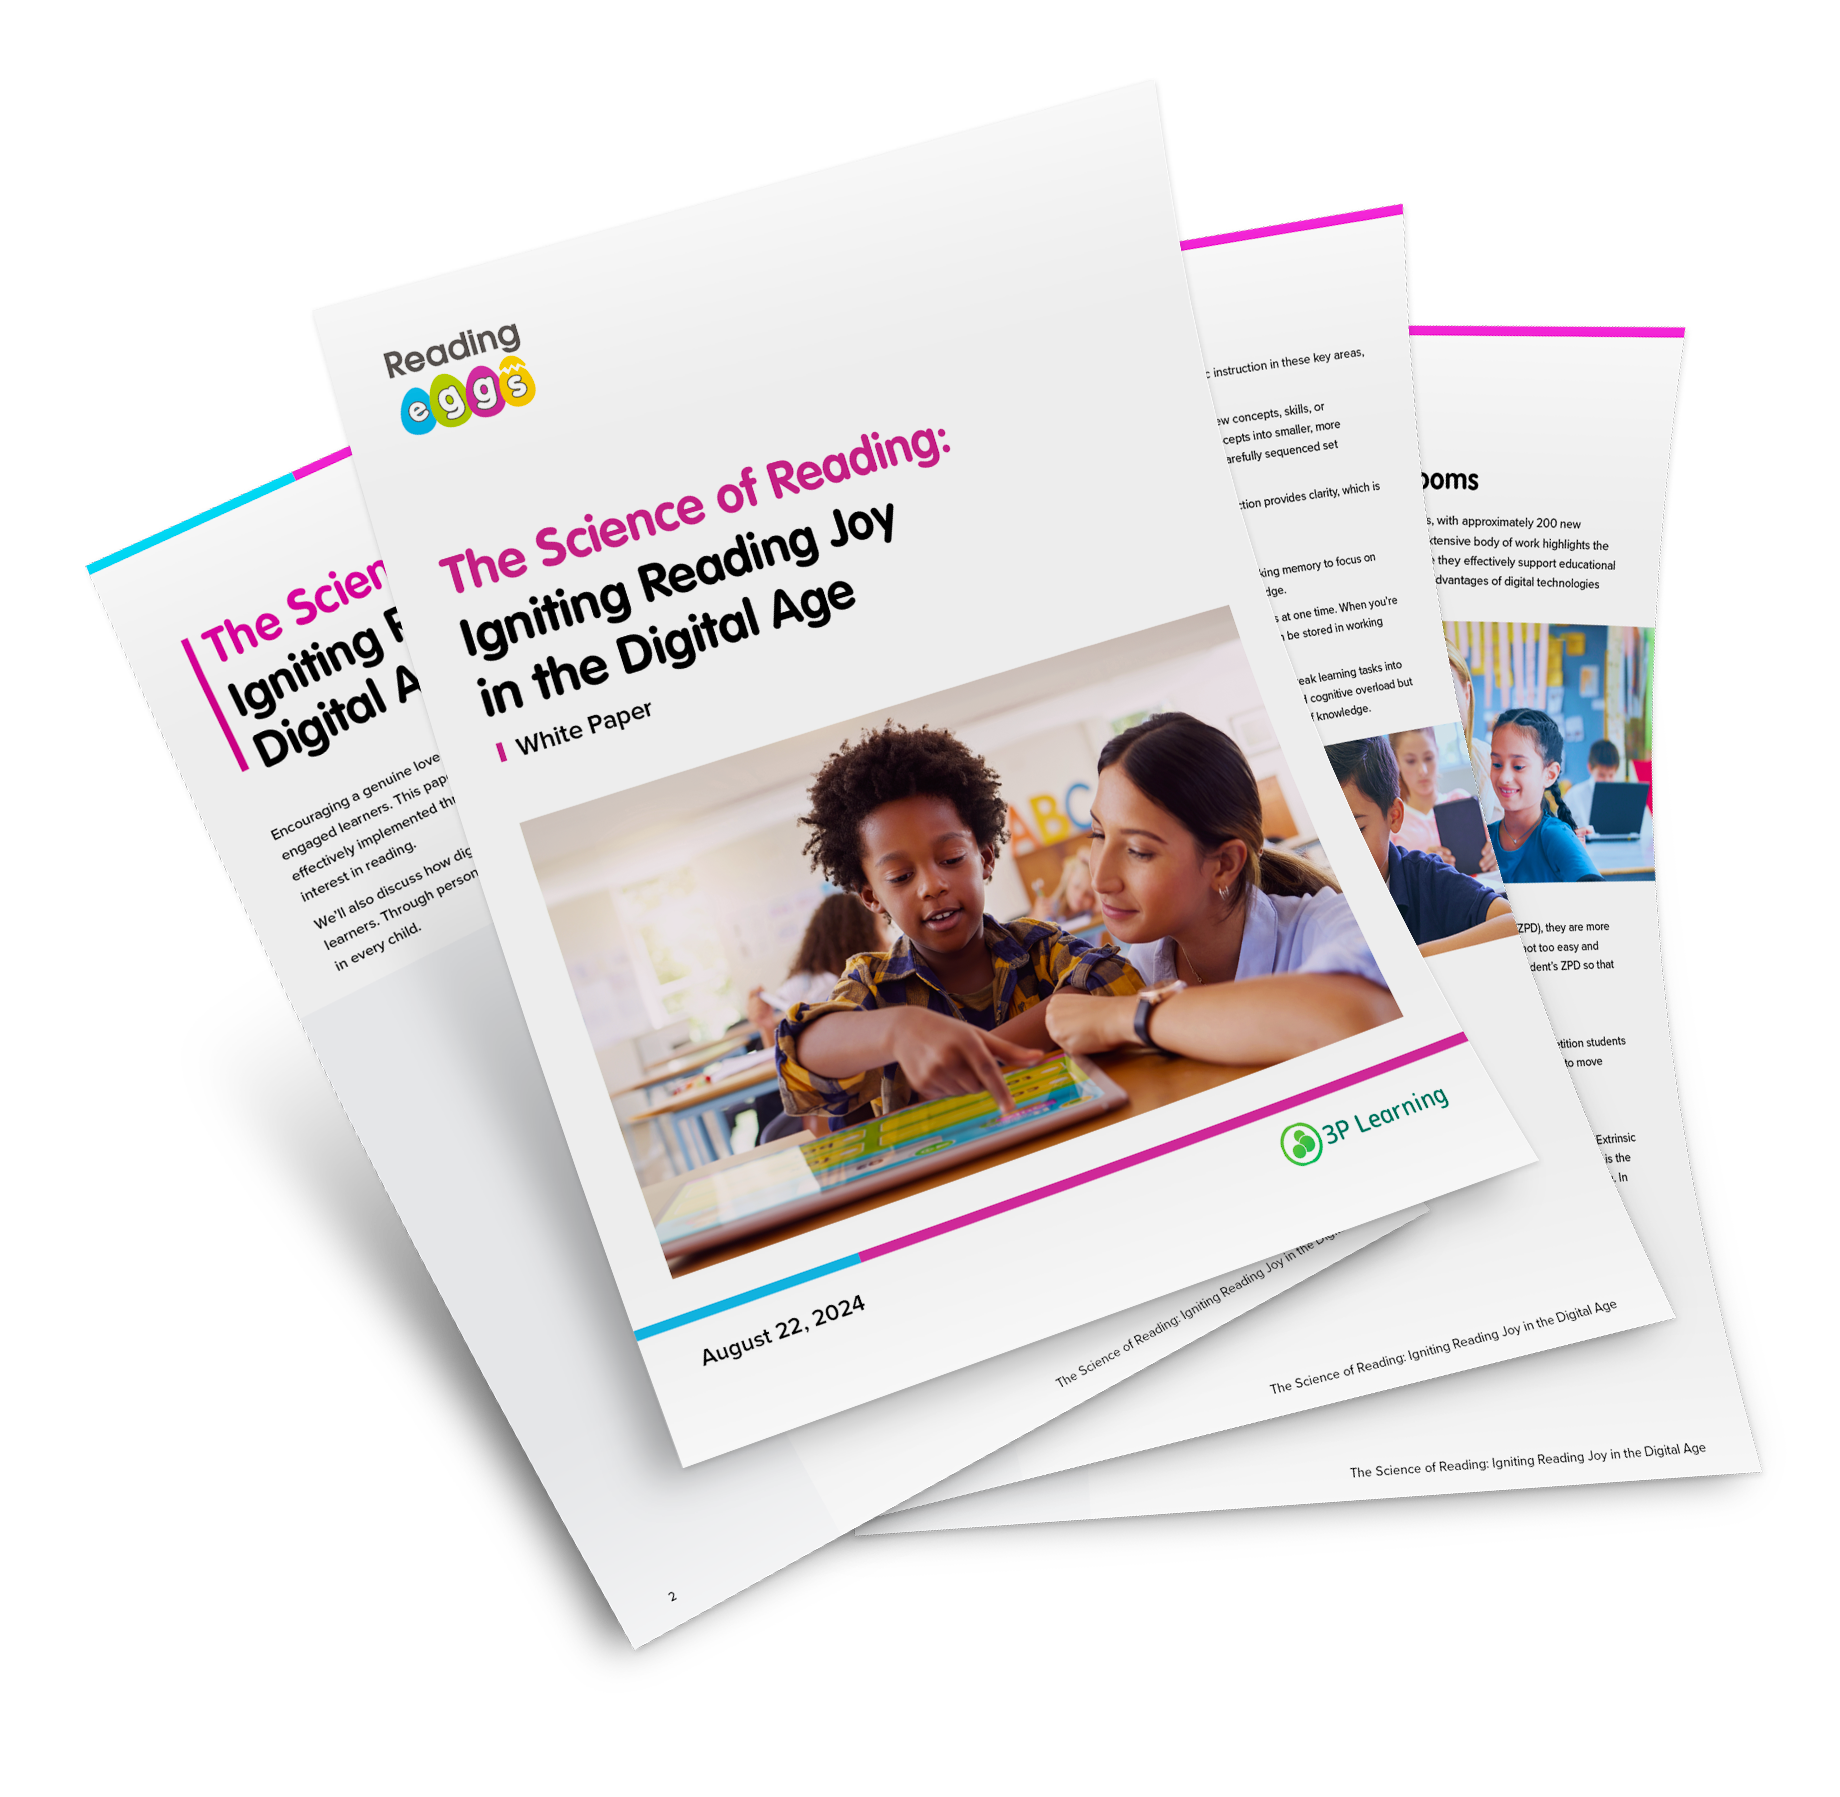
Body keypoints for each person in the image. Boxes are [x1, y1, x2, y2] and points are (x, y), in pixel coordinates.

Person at [774, 723, 1143, 1134]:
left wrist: (966, 1067)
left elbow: (1119, 983)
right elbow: (798, 1059)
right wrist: (897, 1030)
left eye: (950, 858)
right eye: (899, 877)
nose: (932, 885)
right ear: (872, 897)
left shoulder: (1039, 948)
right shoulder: (873, 986)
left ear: (984, 858)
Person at [1040, 713, 1398, 1063]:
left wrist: (1127, 1018)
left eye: (1139, 851)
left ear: (1225, 864)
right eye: (1098, 834)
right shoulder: (1148, 960)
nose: (1100, 880)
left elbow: (1356, 1017)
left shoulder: (1328, 922)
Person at [1332, 738, 1516, 956]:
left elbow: (1513, 922)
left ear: (1394, 816)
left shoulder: (1426, 876)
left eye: (1358, 829)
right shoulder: (1326, 899)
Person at [745, 895, 885, 1038]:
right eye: (883, 930)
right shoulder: (801, 987)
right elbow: (781, 1052)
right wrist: (767, 1027)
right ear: (858, 937)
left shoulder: (875, 982)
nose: (888, 942)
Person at [1487, 708, 1602, 882]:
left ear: (1550, 775)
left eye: (1518, 766)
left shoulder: (1555, 835)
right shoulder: (1487, 838)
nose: (1504, 777)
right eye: (1496, 764)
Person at [1389, 726, 1497, 871]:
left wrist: (1495, 854)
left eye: (1428, 758)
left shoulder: (1461, 801)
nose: (1423, 771)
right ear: (1397, 762)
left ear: (1437, 754)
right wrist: (1420, 866)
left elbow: (1495, 849)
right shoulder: (1394, 824)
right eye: (1411, 761)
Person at [1042, 845, 1096, 922]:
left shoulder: (1092, 914)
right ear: (1068, 879)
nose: (1080, 896)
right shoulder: (1050, 908)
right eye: (1076, 886)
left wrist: (1089, 857)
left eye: (1088, 894)